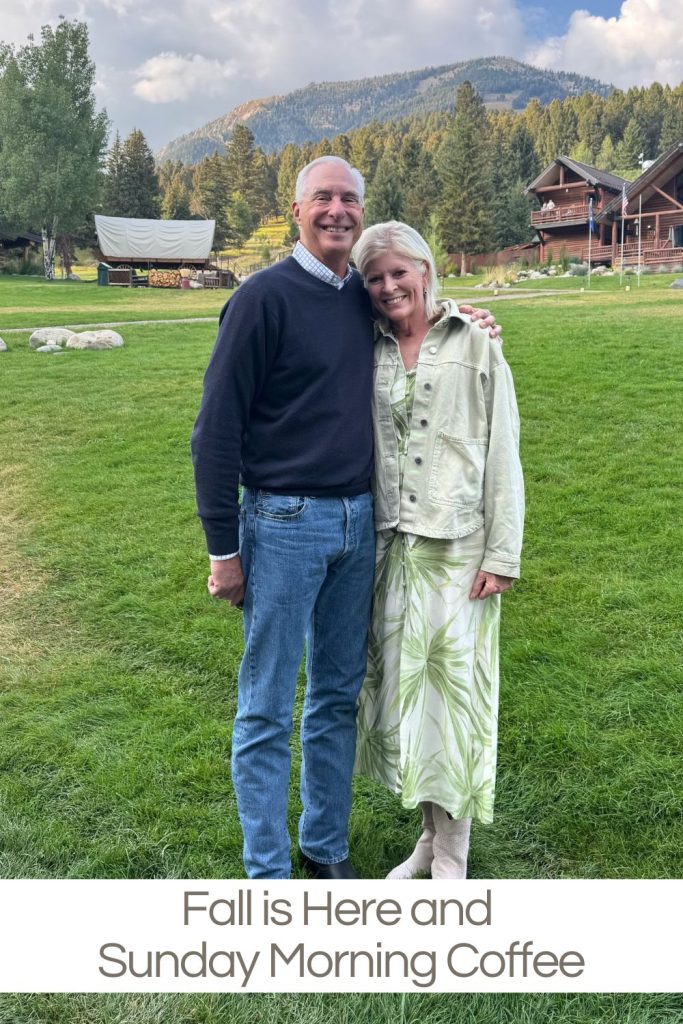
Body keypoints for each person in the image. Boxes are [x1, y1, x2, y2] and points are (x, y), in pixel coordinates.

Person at [191, 157, 500, 880]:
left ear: (361, 211)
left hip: (360, 523)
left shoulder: (360, 298)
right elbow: (215, 433)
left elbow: (419, 316)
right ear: (295, 208)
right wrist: (222, 549)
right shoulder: (261, 299)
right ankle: (267, 870)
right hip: (283, 521)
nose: (337, 210)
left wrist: (475, 320)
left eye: (349, 198)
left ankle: (323, 849)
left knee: (335, 697)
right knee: (266, 703)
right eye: (322, 197)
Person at [352, 220, 524, 880]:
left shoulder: (476, 344)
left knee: (455, 702)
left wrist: (501, 553)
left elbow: (502, 451)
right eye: (374, 276)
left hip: (458, 552)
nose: (389, 285)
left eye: (399, 270)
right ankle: (427, 838)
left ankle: (453, 852)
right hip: (391, 551)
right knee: (407, 701)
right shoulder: (363, 349)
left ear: (425, 270)